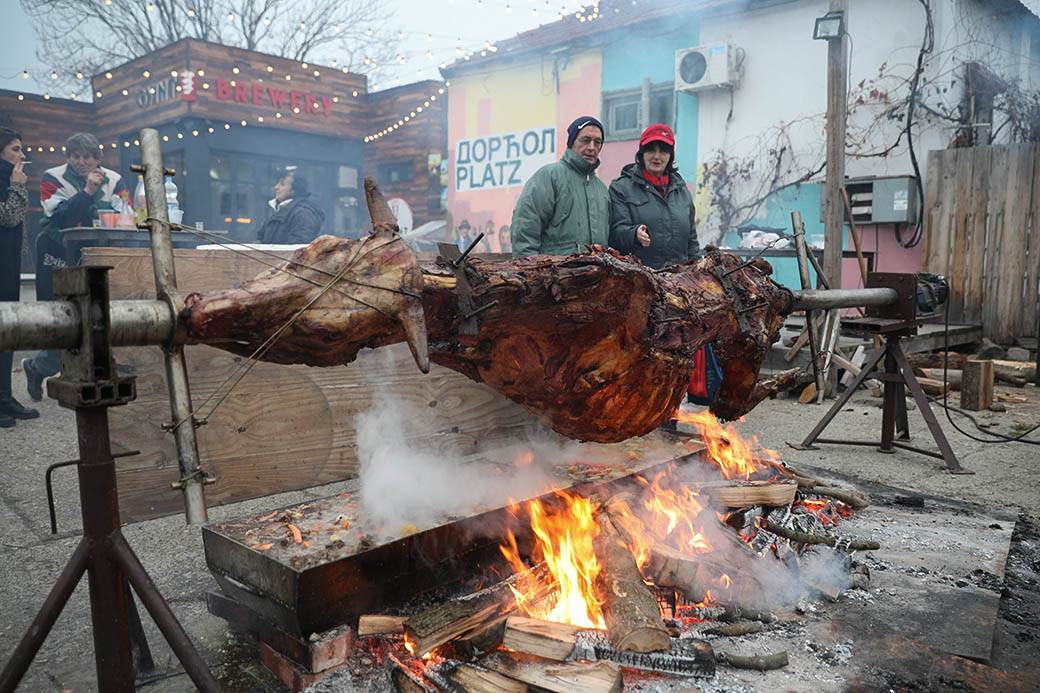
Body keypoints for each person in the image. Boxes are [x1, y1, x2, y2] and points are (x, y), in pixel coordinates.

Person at [23, 132, 129, 402]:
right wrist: (88, 192)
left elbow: (124, 215)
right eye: (76, 156)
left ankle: (88, 376)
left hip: (95, 252)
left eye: (88, 156)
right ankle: (37, 368)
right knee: (62, 318)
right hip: (56, 251)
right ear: (68, 157)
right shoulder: (52, 177)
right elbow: (59, 218)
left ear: (98, 158)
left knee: (95, 317)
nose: (82, 162)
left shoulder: (115, 180)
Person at [511, 116, 610, 257]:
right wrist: (529, 271)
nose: (592, 147)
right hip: (554, 276)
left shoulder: (602, 190)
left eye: (597, 142)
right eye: (585, 140)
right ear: (571, 143)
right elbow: (525, 229)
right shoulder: (549, 176)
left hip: (593, 278)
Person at [608, 123, 699, 269]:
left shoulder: (681, 191)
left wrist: (697, 270)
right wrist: (634, 234)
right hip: (640, 279)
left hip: (679, 280)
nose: (657, 157)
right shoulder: (621, 188)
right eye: (650, 150)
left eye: (663, 151)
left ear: (671, 156)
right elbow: (614, 234)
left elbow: (692, 242)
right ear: (641, 154)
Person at [0, 127, 39, 426]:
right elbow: (8, 217)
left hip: (8, 265)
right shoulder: (9, 182)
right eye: (15, 148)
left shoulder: (8, 180)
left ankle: (4, 397)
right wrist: (16, 186)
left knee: (7, 328)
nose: (22, 154)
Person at [256, 170, 325, 244]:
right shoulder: (278, 210)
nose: (276, 187)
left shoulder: (303, 213)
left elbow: (297, 249)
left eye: (282, 184)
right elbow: (260, 238)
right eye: (277, 183)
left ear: (294, 190)